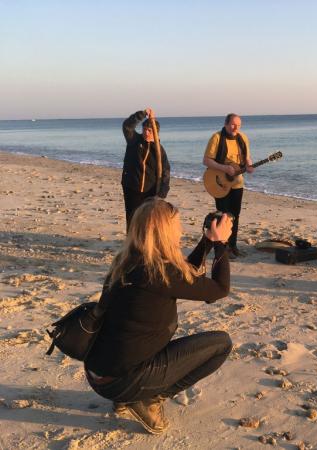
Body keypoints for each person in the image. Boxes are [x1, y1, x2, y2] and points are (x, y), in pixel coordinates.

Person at [84, 198, 233, 434]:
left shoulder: (126, 262)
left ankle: (127, 398)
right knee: (222, 344)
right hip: (124, 379)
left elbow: (185, 274)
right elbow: (219, 289)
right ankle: (148, 399)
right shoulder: (160, 273)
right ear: (165, 233)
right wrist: (221, 244)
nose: (181, 232)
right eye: (177, 227)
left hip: (99, 373)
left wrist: (207, 241)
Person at [203, 113, 253, 258]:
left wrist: (250, 165)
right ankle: (222, 249)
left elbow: (247, 158)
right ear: (225, 124)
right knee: (223, 215)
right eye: (233, 124)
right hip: (219, 182)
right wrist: (224, 168)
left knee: (235, 216)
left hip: (237, 183)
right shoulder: (217, 138)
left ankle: (233, 246)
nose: (236, 128)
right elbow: (206, 160)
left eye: (239, 125)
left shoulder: (243, 138)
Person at [121, 108, 171, 232]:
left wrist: (162, 192)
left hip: (150, 191)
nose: (146, 132)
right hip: (131, 187)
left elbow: (165, 172)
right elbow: (127, 126)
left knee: (147, 221)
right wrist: (142, 114)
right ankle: (131, 242)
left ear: (156, 132)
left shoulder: (159, 150)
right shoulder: (134, 140)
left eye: (149, 130)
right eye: (144, 129)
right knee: (132, 219)